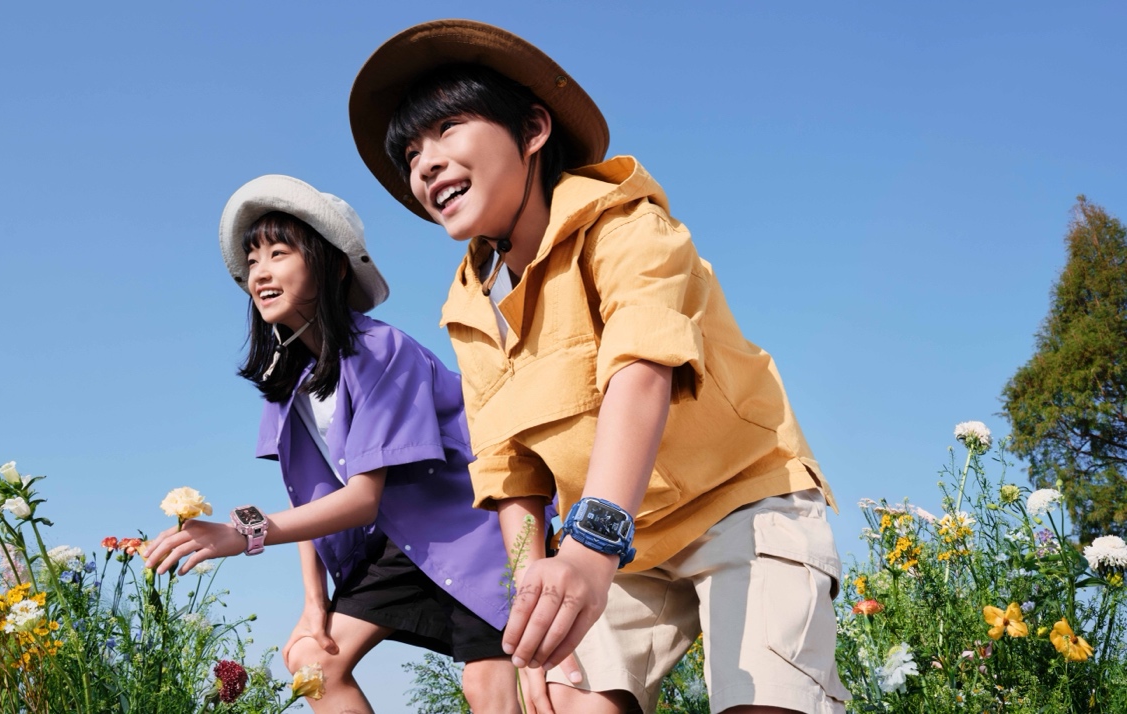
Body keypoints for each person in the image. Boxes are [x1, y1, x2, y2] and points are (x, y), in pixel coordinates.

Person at [348, 19, 852, 714]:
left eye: (448, 128)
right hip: (620, 545)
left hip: (739, 501)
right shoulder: (467, 307)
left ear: (532, 130)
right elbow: (510, 474)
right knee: (569, 704)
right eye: (411, 153)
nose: (425, 164)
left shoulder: (626, 225)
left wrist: (591, 544)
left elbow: (640, 371)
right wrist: (531, 610)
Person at [142, 175, 521, 713]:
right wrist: (313, 604)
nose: (260, 272)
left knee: (487, 687)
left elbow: (362, 498)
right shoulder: (288, 381)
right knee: (312, 662)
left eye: (278, 253)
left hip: (473, 528)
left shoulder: (384, 349)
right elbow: (310, 498)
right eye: (252, 260)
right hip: (399, 542)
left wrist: (243, 534)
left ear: (333, 265)